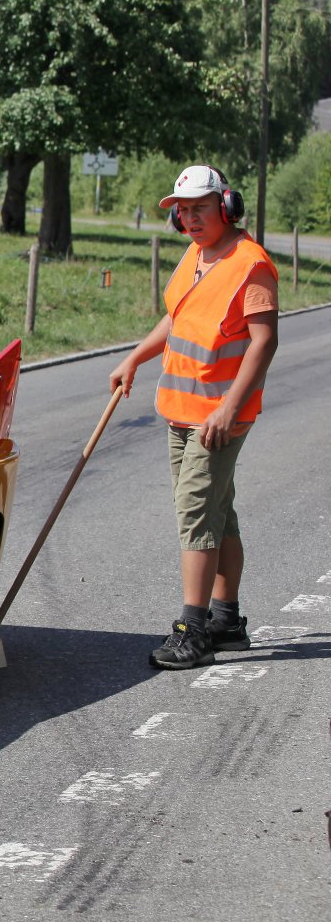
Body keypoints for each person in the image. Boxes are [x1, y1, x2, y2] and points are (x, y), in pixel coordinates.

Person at [109, 165, 280, 670]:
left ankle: (193, 630)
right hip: (181, 411)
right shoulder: (195, 255)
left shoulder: (251, 265)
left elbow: (264, 341)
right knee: (218, 513)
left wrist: (228, 408)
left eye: (200, 208)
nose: (190, 218)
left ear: (226, 207)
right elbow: (178, 318)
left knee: (196, 515)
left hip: (218, 417)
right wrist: (134, 358)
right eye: (183, 211)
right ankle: (226, 622)